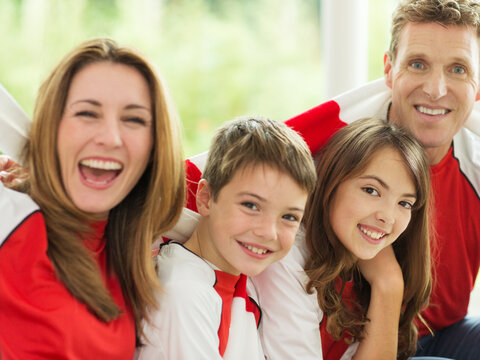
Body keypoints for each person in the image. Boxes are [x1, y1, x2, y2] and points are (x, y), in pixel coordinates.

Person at [277, 0, 480, 358]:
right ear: (389, 69)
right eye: (418, 64)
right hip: (347, 345)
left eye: (458, 69)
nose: (435, 89)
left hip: (441, 336)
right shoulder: (334, 160)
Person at [0, 38, 185, 359]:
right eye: (87, 113)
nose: (110, 138)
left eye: (133, 119)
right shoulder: (10, 221)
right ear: (50, 128)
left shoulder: (132, 248)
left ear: (155, 147)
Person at [134, 116, 317, 359]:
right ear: (206, 198)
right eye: (251, 205)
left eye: (289, 216)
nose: (268, 232)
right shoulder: (184, 293)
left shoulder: (239, 283)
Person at [250, 118, 432, 360]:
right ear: (330, 182)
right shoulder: (286, 257)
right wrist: (388, 283)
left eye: (404, 203)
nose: (388, 218)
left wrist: (388, 282)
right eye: (371, 190)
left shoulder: (360, 263)